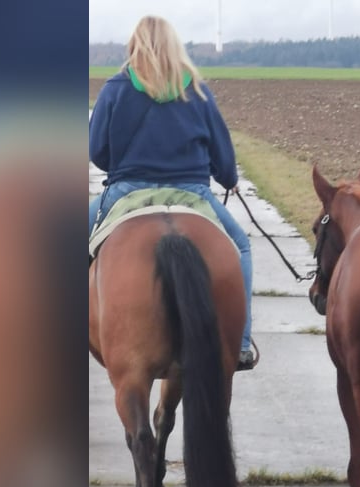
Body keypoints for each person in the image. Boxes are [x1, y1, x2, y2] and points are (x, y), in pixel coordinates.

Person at [89, 15, 255, 371]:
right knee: (240, 246)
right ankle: (240, 343)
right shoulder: (196, 90)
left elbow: (96, 151)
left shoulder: (115, 88)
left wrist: (124, 166)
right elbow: (222, 154)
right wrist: (228, 180)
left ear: (134, 47)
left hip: (127, 190)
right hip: (192, 191)